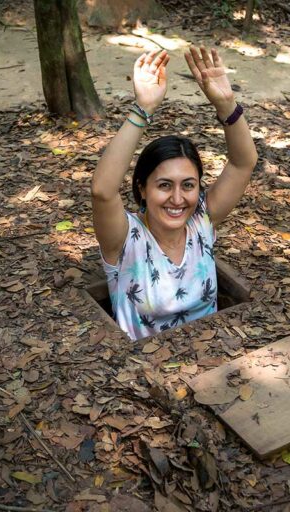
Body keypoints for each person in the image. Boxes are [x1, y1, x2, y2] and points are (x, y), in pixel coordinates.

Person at [91, 47, 258, 340]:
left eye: (188, 185)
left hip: (213, 361)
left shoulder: (201, 222)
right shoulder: (125, 239)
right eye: (164, 185)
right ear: (142, 187)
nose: (178, 199)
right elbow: (103, 191)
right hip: (143, 375)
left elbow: (243, 163)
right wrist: (143, 109)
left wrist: (227, 105)